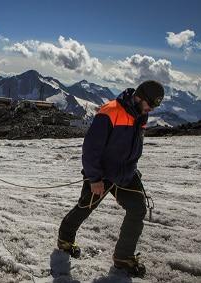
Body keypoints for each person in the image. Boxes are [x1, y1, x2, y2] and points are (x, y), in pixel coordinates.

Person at [57, 80, 164, 278]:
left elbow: (131, 145)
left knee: (137, 208)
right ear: (139, 97)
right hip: (102, 175)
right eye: (150, 103)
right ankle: (65, 239)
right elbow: (91, 148)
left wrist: (132, 168)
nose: (152, 108)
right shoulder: (110, 111)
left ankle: (123, 257)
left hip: (125, 174)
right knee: (86, 206)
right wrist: (94, 178)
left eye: (155, 105)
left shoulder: (141, 115)